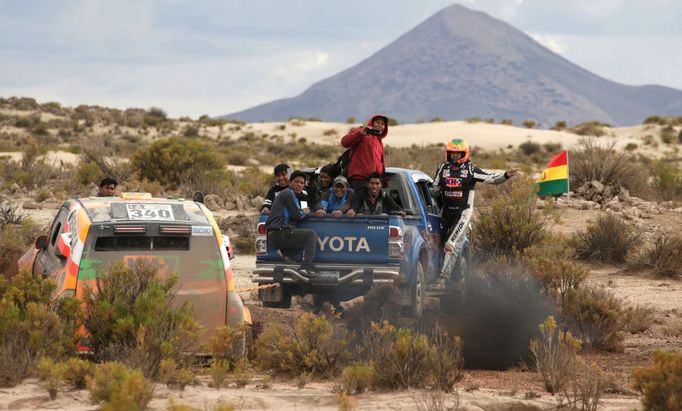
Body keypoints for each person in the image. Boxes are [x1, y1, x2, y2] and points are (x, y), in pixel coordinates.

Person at [432, 138, 518, 287]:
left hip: (462, 214)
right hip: (445, 213)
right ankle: (453, 277)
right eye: (452, 153)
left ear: (464, 154)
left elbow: (491, 178)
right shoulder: (442, 168)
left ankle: (442, 280)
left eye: (458, 154)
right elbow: (434, 189)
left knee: (450, 244)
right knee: (439, 246)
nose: (455, 156)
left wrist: (506, 175)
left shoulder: (471, 169)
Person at [264, 170, 318, 276]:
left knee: (298, 234)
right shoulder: (288, 193)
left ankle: (285, 253)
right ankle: (306, 267)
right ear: (290, 182)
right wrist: (306, 211)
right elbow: (297, 215)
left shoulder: (288, 194)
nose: (299, 185)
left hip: (275, 234)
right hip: (279, 232)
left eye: (302, 183)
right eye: (297, 182)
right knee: (311, 235)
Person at [340, 114, 388, 191]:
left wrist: (383, 180)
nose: (380, 125)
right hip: (360, 180)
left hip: (374, 182)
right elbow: (344, 142)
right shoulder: (362, 131)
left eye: (382, 124)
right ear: (372, 123)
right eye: (377, 122)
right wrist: (360, 134)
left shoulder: (379, 141)